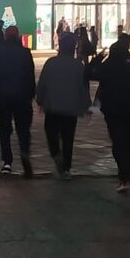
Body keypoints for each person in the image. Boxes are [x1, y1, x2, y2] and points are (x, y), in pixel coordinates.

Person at [96, 36, 130, 191]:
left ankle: (123, 174)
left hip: (113, 111)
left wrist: (99, 57)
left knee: (118, 142)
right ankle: (127, 175)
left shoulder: (107, 69)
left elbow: (89, 73)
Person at [36, 32, 91, 178]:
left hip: (52, 106)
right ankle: (66, 167)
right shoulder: (78, 65)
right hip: (70, 108)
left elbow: (42, 84)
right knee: (68, 137)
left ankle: (55, 153)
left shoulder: (51, 63)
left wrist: (40, 100)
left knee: (51, 132)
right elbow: (84, 88)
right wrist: (86, 105)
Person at [0, 25, 35, 177]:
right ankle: (25, 154)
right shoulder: (25, 53)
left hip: (4, 98)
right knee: (23, 129)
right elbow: (31, 76)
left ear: (6, 36)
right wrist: (32, 96)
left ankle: (7, 162)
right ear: (18, 36)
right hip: (22, 98)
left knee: (5, 130)